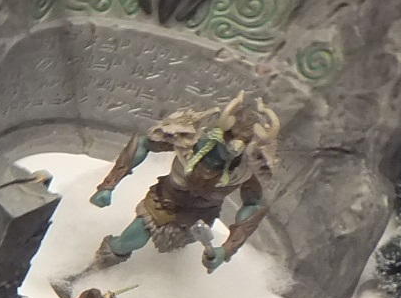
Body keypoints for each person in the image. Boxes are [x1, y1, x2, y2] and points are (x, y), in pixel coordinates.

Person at [86, 92, 278, 274]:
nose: (235, 147)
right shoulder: (189, 143)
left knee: (174, 252)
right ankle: (95, 269)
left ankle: (158, 274)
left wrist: (227, 249)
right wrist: (109, 185)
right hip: (164, 202)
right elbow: (144, 144)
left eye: (243, 144)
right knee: (129, 241)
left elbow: (253, 205)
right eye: (231, 139)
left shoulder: (244, 171)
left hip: (199, 217)